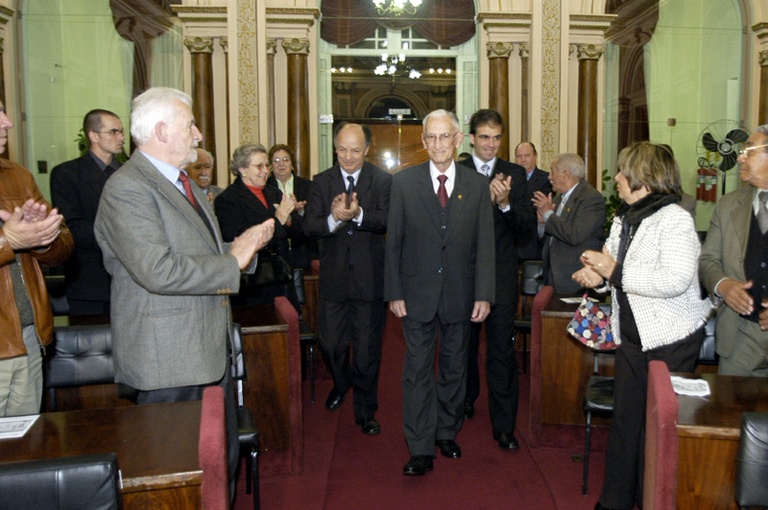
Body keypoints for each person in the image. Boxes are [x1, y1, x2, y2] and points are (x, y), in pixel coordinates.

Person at [94, 87, 274, 497]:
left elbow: (202, 255)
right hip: (168, 363)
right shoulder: (128, 188)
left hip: (206, 352)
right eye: (189, 124)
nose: (197, 134)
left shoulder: (181, 183)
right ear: (161, 130)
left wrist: (242, 248)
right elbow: (158, 270)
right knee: (178, 478)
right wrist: (233, 261)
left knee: (216, 469)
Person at [572, 141, 710, 510]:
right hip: (632, 338)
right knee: (625, 425)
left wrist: (612, 271)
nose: (616, 178)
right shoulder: (625, 217)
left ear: (644, 179)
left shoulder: (676, 218)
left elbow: (675, 279)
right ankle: (615, 501)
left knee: (657, 432)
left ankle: (653, 501)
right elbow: (613, 273)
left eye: (622, 172)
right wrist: (596, 277)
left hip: (670, 341)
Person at [385, 109, 495, 476]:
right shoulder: (403, 184)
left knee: (453, 368)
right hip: (416, 295)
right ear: (423, 141)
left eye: (443, 137)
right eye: (430, 138)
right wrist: (394, 292)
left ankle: (447, 431)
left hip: (461, 295)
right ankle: (419, 446)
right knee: (416, 371)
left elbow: (485, 245)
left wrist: (484, 294)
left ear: (458, 139)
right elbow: (393, 245)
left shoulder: (476, 186)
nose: (437, 145)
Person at [304, 122, 392, 434]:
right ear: (335, 149)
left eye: (355, 150)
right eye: (342, 149)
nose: (349, 157)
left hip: (370, 280)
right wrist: (332, 219)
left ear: (367, 149)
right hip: (334, 279)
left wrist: (357, 215)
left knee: (367, 352)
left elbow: (388, 220)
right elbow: (309, 227)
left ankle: (366, 410)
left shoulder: (381, 180)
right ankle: (342, 383)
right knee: (330, 344)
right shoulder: (321, 181)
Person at [458, 109, 534, 450]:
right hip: (464, 276)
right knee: (462, 348)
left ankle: (504, 426)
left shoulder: (515, 173)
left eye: (497, 137)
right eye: (484, 137)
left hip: (501, 277)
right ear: (472, 138)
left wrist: (505, 204)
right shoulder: (457, 172)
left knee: (502, 352)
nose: (491, 144)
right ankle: (463, 401)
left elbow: (526, 229)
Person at [0, 100, 74, 417]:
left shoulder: (18, 175)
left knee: (27, 453)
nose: (8, 122)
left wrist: (42, 239)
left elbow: (64, 242)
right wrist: (8, 241)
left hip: (29, 339)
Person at [700, 125, 768, 376]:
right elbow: (708, 260)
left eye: (748, 150)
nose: (739, 157)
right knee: (730, 413)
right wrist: (723, 285)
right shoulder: (728, 205)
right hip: (739, 338)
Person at [50, 109, 124, 316]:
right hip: (89, 282)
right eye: (114, 132)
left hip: (129, 281)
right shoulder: (67, 174)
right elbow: (72, 227)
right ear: (93, 136)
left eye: (122, 132)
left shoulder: (130, 174)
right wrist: (125, 238)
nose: (121, 137)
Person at [215, 143, 302, 307]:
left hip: (283, 276)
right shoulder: (228, 200)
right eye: (259, 166)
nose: (266, 171)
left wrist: (289, 220)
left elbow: (299, 230)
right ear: (242, 169)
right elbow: (239, 240)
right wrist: (278, 221)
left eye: (267, 165)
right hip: (256, 283)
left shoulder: (273, 192)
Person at [532, 153, 605, 294]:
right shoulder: (559, 199)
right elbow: (549, 236)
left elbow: (574, 234)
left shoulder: (591, 198)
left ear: (565, 174)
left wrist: (548, 214)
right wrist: (542, 223)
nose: (549, 177)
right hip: (553, 275)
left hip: (575, 280)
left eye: (552, 171)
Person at [268, 143, 318, 268]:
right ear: (271, 166)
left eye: (286, 160)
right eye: (276, 161)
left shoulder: (308, 186)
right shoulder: (265, 188)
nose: (281, 164)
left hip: (303, 250)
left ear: (292, 165)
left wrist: (301, 211)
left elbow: (316, 218)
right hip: (275, 252)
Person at [514, 141, 553, 261]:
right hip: (512, 243)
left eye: (527, 155)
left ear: (535, 156)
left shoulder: (546, 179)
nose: (523, 160)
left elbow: (536, 209)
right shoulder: (510, 179)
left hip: (533, 241)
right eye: (519, 156)